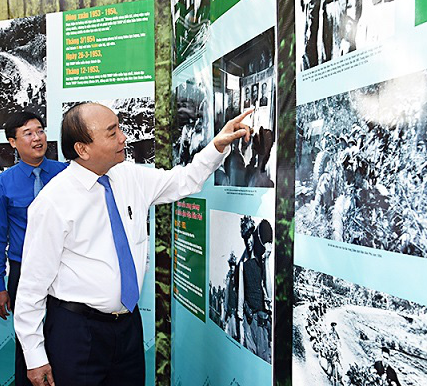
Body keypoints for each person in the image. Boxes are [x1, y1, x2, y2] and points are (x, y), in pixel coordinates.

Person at [15, 102, 252, 386]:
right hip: (77, 332)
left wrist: (216, 146)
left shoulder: (129, 176)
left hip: (127, 327)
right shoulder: (52, 202)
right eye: (112, 132)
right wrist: (34, 355)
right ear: (83, 149)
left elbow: (184, 180)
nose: (124, 137)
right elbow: (32, 284)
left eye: (120, 128)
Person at [0, 112, 67, 385]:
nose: (37, 138)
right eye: (28, 133)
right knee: (28, 342)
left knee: (63, 337)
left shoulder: (65, 174)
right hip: (23, 270)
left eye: (40, 130)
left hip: (65, 268)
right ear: (12, 142)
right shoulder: (1, 186)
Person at [237, 216, 273, 362]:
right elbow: (241, 293)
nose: (248, 241)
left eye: (249, 236)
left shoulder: (262, 258)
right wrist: (241, 321)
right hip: (248, 319)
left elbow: (269, 294)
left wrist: (267, 261)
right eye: (245, 238)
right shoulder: (243, 264)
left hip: (262, 320)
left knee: (264, 357)